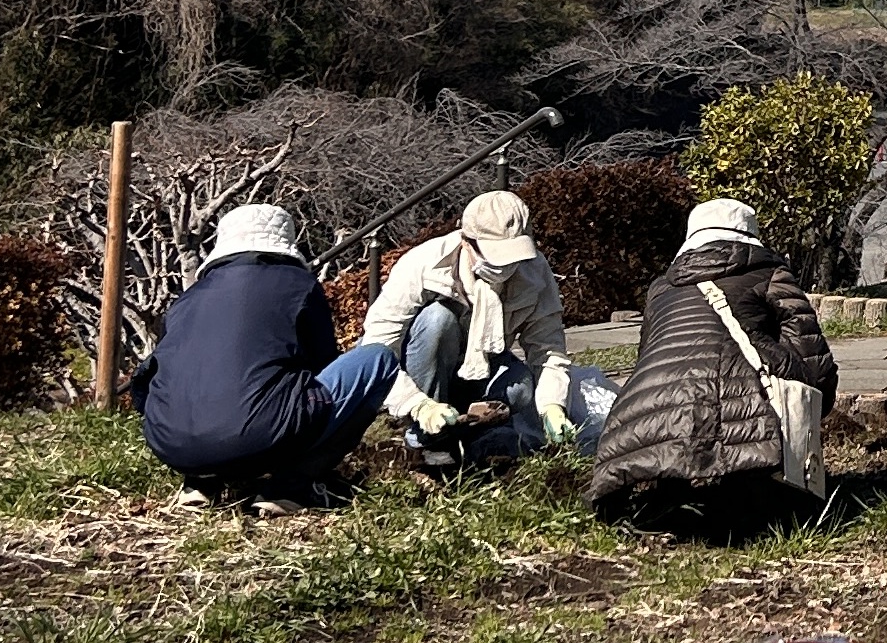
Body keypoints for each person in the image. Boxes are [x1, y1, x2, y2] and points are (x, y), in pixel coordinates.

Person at [129, 203, 403, 512]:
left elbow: (149, 377)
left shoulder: (187, 299)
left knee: (200, 382)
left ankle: (199, 482)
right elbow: (324, 366)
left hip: (170, 443)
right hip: (257, 435)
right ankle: (292, 487)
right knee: (377, 358)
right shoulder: (299, 286)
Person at [587, 197, 838, 529]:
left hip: (640, 420)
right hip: (736, 411)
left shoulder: (661, 288)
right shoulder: (770, 273)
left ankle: (668, 489)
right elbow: (813, 363)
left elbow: (648, 353)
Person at [356, 190, 576, 473]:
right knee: (438, 320)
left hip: (481, 364)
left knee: (521, 387)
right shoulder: (421, 264)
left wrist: (553, 405)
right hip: (420, 365)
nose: (505, 266)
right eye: (495, 254)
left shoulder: (535, 271)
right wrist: (416, 404)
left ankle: (474, 433)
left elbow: (548, 349)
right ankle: (427, 437)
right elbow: (378, 348)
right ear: (466, 241)